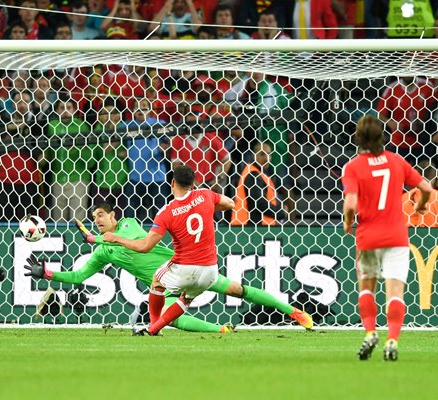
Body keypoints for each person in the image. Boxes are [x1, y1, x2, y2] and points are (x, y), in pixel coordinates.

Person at [23, 202, 313, 333]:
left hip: (182, 266)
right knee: (170, 318)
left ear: (113, 216)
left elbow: (136, 242)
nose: (98, 219)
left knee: (239, 290)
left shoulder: (128, 225)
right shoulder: (102, 252)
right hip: (170, 282)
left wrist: (97, 237)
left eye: (101, 215)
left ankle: (294, 312)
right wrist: (47, 272)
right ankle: (221, 330)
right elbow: (79, 276)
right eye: (94, 217)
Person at [102, 165, 312, 335]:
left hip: (184, 268)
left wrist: (116, 238)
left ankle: (153, 325)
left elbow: (145, 246)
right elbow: (230, 203)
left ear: (172, 183)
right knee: (237, 290)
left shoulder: (166, 212)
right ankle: (295, 312)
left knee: (157, 282)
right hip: (209, 269)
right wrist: (208, 207)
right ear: (193, 183)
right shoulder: (205, 195)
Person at [341, 115, 432, 361]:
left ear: (358, 137)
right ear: (383, 136)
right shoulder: (396, 161)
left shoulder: (353, 167)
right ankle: (392, 339)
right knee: (395, 293)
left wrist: (348, 222)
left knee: (366, 288)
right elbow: (425, 188)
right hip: (396, 236)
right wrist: (421, 207)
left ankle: (370, 332)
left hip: (368, 236)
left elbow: (350, 203)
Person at [231, 142, 289, 226]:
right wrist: (280, 213)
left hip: (254, 228)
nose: (267, 158)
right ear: (253, 156)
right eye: (262, 154)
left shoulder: (260, 174)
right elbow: (259, 203)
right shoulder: (253, 175)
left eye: (269, 154)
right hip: (250, 228)